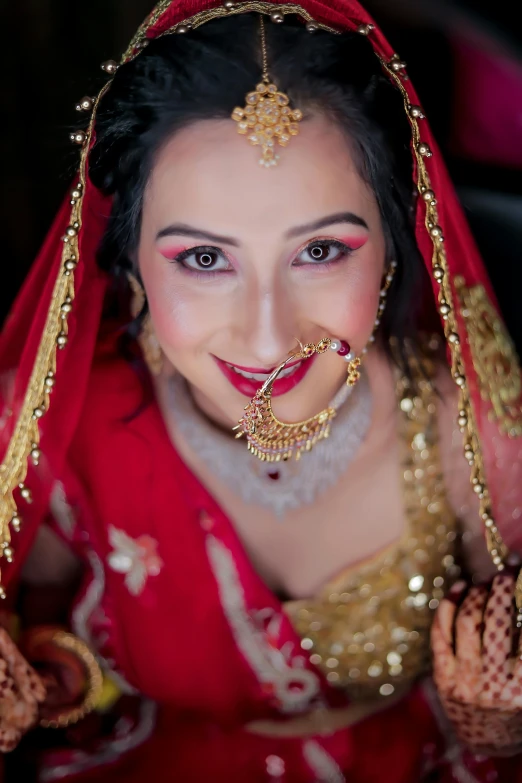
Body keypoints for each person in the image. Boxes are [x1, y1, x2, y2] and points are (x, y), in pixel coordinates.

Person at [1, 1, 522, 780]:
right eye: (205, 261)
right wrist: (45, 678)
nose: (271, 338)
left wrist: (501, 718)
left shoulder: (468, 428)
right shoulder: (52, 426)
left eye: (320, 249)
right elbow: (44, 619)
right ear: (131, 262)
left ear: (394, 243)